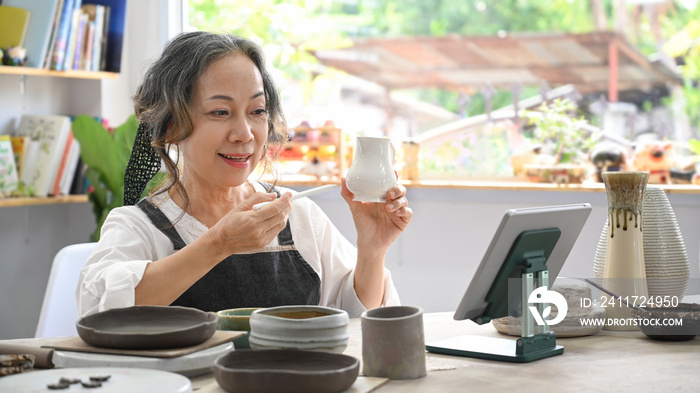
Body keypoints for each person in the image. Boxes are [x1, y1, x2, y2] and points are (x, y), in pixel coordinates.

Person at [75, 31, 412, 318]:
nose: (245, 133)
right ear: (172, 126)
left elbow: (354, 319)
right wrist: (218, 244)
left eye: (257, 111)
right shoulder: (138, 227)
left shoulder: (299, 217)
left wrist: (371, 248)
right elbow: (102, 314)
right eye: (220, 112)